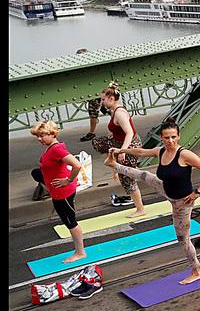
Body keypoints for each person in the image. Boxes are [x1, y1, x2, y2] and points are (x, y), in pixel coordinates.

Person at [106, 121, 200, 285]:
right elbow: (141, 152)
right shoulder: (161, 151)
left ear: (178, 136)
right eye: (166, 137)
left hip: (182, 203)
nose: (170, 141)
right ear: (162, 138)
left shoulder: (185, 155)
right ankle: (114, 164)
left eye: (173, 137)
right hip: (166, 190)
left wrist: (197, 192)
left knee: (183, 239)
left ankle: (196, 270)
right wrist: (122, 150)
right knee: (144, 175)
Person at [31, 120, 86, 263]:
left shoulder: (56, 149)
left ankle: (80, 252)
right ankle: (79, 250)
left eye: (42, 136)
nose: (39, 139)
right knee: (36, 173)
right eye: (37, 136)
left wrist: (68, 180)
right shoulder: (50, 148)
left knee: (70, 221)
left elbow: (77, 165)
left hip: (63, 192)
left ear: (53, 134)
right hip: (57, 191)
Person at [90, 83, 146, 213]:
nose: (101, 102)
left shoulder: (119, 113)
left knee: (126, 178)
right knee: (98, 142)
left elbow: (130, 133)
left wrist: (122, 151)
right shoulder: (113, 110)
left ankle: (140, 209)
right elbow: (116, 129)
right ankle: (114, 165)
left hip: (130, 145)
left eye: (103, 99)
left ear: (111, 99)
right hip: (119, 142)